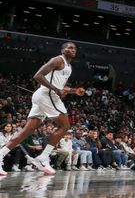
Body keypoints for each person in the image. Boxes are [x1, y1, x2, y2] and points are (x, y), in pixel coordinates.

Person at [0, 42, 84, 176]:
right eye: (69, 47)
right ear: (62, 50)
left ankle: (0, 154)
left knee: (28, 130)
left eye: (74, 48)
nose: (72, 50)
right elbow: (38, 76)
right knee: (65, 126)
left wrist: (74, 91)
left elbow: (61, 87)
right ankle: (43, 158)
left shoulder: (69, 67)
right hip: (47, 95)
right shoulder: (57, 60)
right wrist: (56, 89)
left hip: (44, 96)